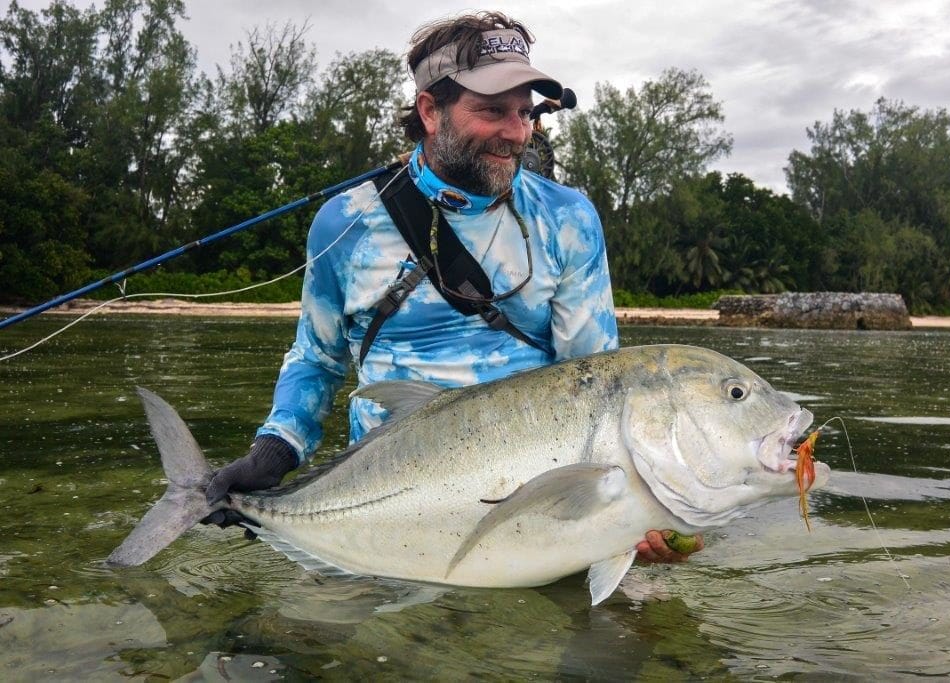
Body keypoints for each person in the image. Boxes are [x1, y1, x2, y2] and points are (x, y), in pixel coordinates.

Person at [204, 11, 699, 564]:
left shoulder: (569, 220)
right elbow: (317, 359)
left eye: (525, 113)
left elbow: (599, 386)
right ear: (430, 110)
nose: (517, 134)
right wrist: (275, 450)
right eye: (492, 110)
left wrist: (653, 510)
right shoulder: (345, 224)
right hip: (379, 501)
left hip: (536, 511)